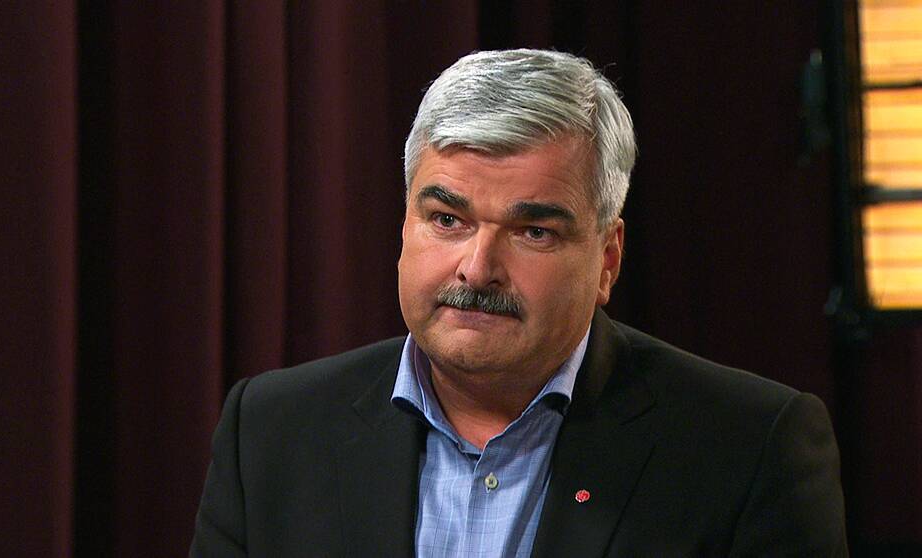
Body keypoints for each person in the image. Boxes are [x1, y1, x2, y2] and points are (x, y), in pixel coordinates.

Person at [190, 49, 847, 557]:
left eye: (533, 231)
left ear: (607, 259)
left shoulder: (749, 448)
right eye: (447, 220)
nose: (478, 268)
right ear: (404, 226)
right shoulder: (271, 432)